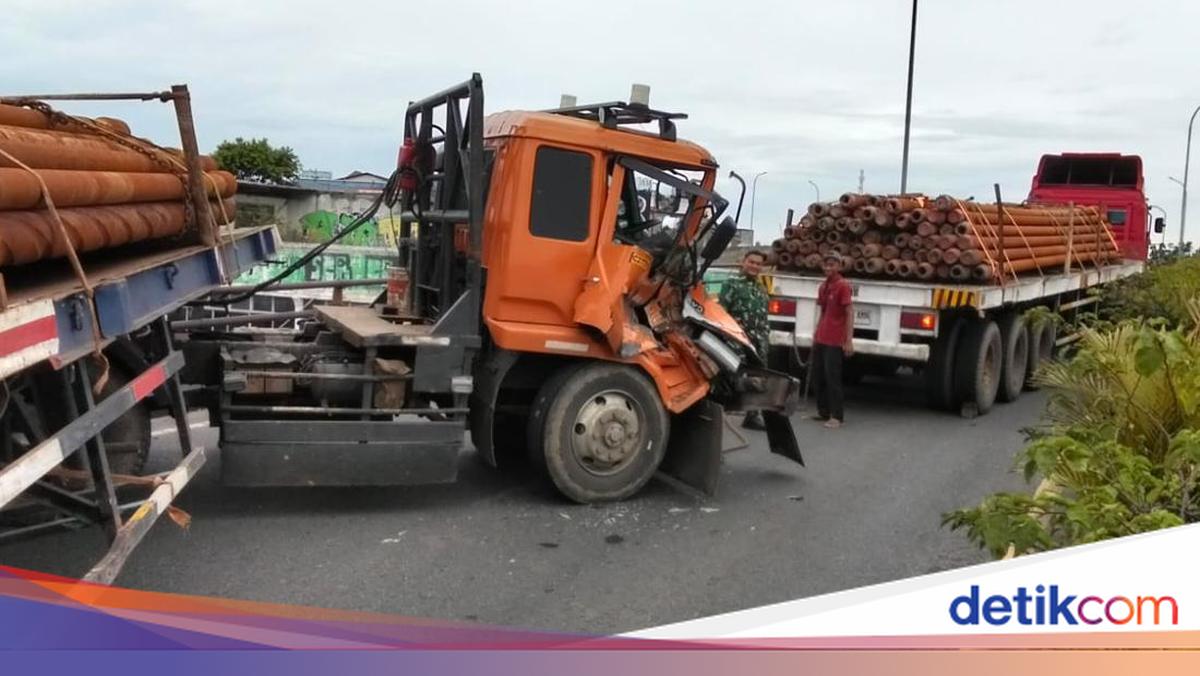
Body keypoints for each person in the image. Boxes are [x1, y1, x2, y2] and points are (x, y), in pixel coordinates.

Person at [719, 250, 771, 430]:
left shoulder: (761, 288)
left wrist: (765, 337)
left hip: (758, 340)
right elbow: (722, 313)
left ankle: (753, 416)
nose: (754, 266)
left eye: (758, 264)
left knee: (758, 377)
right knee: (735, 377)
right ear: (743, 262)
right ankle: (723, 414)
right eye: (751, 262)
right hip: (738, 339)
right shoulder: (731, 284)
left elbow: (764, 315)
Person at [810, 253, 854, 429]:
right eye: (826, 265)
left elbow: (849, 312)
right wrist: (816, 333)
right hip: (822, 336)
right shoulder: (823, 286)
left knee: (832, 377)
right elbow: (823, 311)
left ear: (839, 266)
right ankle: (823, 411)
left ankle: (837, 415)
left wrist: (848, 340)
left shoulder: (843, 286)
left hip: (835, 339)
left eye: (832, 264)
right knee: (818, 375)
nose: (829, 268)